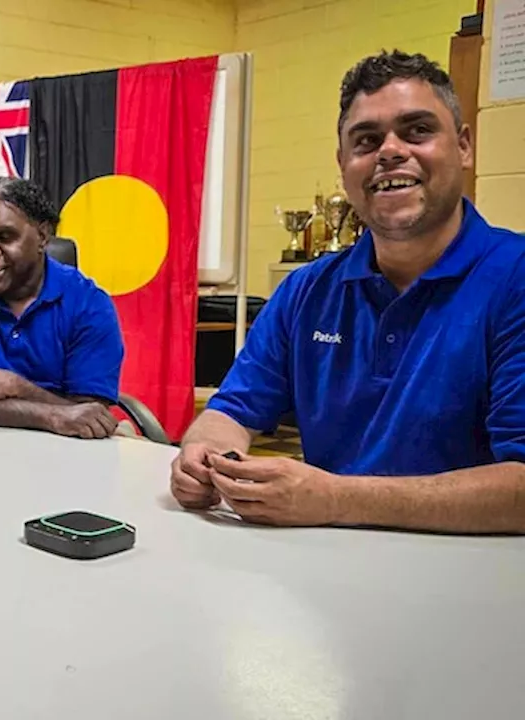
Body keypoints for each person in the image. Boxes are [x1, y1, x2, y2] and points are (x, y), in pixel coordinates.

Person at [171, 50, 525, 534]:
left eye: (417, 130)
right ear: (344, 165)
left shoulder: (514, 279)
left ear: (463, 146)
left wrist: (336, 499)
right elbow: (232, 410)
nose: (390, 151)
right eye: (367, 140)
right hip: (323, 571)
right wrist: (203, 454)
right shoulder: (305, 291)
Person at [0, 177, 125, 439]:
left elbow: (89, 417)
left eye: (5, 237)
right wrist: (53, 415)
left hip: (65, 454)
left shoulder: (88, 304)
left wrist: (13, 386)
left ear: (42, 236)